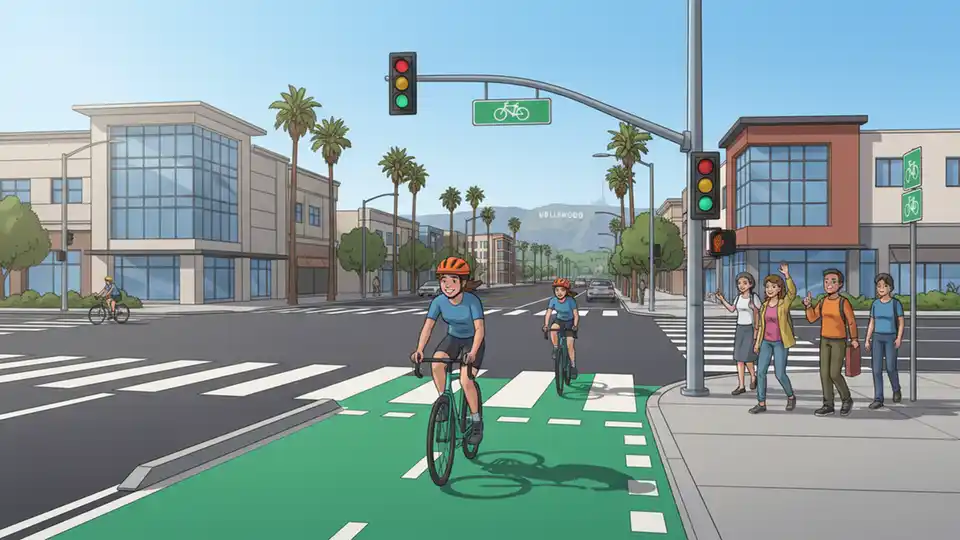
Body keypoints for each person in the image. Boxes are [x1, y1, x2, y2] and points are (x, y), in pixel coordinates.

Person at [411, 257, 486, 445]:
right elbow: (428, 327)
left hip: (472, 342)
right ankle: (444, 402)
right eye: (443, 281)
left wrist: (473, 353)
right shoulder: (438, 302)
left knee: (465, 380)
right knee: (436, 363)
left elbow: (479, 330)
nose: (447, 286)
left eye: (452, 281)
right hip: (452, 339)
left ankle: (476, 421)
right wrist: (420, 349)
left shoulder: (472, 301)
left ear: (462, 282)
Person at [803, 268, 858, 417]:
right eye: (826, 281)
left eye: (833, 281)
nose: (829, 284)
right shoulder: (823, 301)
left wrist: (854, 339)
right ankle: (828, 404)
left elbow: (851, 322)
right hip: (824, 340)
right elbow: (812, 318)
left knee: (834, 373)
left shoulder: (843, 302)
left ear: (840, 284)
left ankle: (846, 399)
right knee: (824, 374)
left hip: (839, 341)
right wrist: (808, 306)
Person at [750, 264, 798, 414]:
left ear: (779, 289)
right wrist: (757, 343)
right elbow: (761, 327)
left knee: (780, 374)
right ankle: (761, 402)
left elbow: (792, 292)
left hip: (780, 342)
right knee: (761, 372)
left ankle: (790, 396)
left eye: (773, 286)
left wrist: (787, 276)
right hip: (766, 342)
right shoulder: (764, 306)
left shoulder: (784, 303)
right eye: (767, 287)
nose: (769, 289)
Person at [716, 272, 761, 395]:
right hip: (740, 329)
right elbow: (731, 309)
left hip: (750, 329)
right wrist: (722, 299)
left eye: (745, 283)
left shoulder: (754, 298)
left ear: (750, 284)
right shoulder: (738, 298)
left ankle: (753, 376)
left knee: (747, 358)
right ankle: (741, 385)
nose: (741, 286)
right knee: (739, 358)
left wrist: (756, 332)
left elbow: (758, 314)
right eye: (739, 283)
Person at [864, 273, 904, 409]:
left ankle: (896, 389)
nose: (881, 288)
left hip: (890, 337)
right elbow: (872, 322)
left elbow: (901, 322)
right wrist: (867, 339)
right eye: (879, 286)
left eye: (884, 286)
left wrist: (899, 337)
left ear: (890, 288)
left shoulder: (895, 304)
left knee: (891, 367)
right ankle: (878, 398)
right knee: (876, 370)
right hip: (877, 338)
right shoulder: (875, 304)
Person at [542, 278, 581, 379]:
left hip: (570, 322)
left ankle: (572, 365)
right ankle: (555, 347)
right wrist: (546, 325)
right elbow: (548, 313)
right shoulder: (553, 301)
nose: (559, 293)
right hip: (559, 320)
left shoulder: (571, 301)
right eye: (557, 290)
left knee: (569, 345)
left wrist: (575, 326)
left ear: (566, 291)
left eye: (562, 290)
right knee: (553, 330)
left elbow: (576, 315)